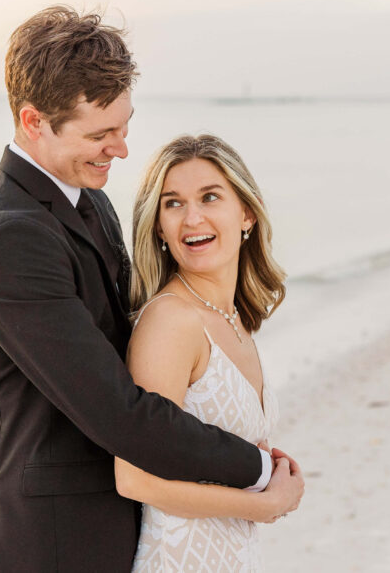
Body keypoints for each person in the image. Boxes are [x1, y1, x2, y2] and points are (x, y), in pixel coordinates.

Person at [0, 6, 303, 573]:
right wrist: (260, 472)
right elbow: (120, 414)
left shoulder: (88, 199)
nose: (119, 149)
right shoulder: (12, 240)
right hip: (51, 545)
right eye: (100, 134)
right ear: (33, 121)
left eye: (124, 126)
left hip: (125, 531)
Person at [116, 134, 304, 571]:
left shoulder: (232, 318)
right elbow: (135, 478)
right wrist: (263, 504)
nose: (191, 218)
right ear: (159, 226)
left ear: (247, 214)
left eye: (209, 197)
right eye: (173, 203)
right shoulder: (171, 321)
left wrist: (268, 471)